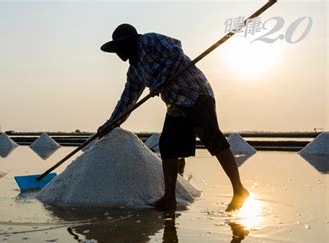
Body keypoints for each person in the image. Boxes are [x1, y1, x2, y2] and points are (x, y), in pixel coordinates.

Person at [97, 23, 249, 211]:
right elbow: (127, 101)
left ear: (130, 42)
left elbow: (176, 52)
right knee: (167, 146)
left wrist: (160, 81)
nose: (119, 52)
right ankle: (169, 198)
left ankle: (239, 189)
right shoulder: (135, 72)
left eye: (120, 47)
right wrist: (110, 124)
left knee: (211, 138)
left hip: (195, 92)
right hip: (175, 103)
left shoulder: (149, 40)